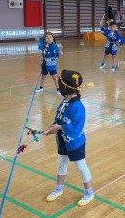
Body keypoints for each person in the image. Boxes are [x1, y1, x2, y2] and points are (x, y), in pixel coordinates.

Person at [45, 69, 95, 207]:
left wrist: (59, 128)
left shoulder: (78, 107)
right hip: (62, 141)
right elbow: (59, 118)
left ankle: (89, 192)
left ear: (65, 87)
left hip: (74, 143)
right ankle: (58, 189)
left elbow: (75, 127)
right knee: (61, 164)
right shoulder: (64, 101)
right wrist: (52, 127)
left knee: (81, 166)